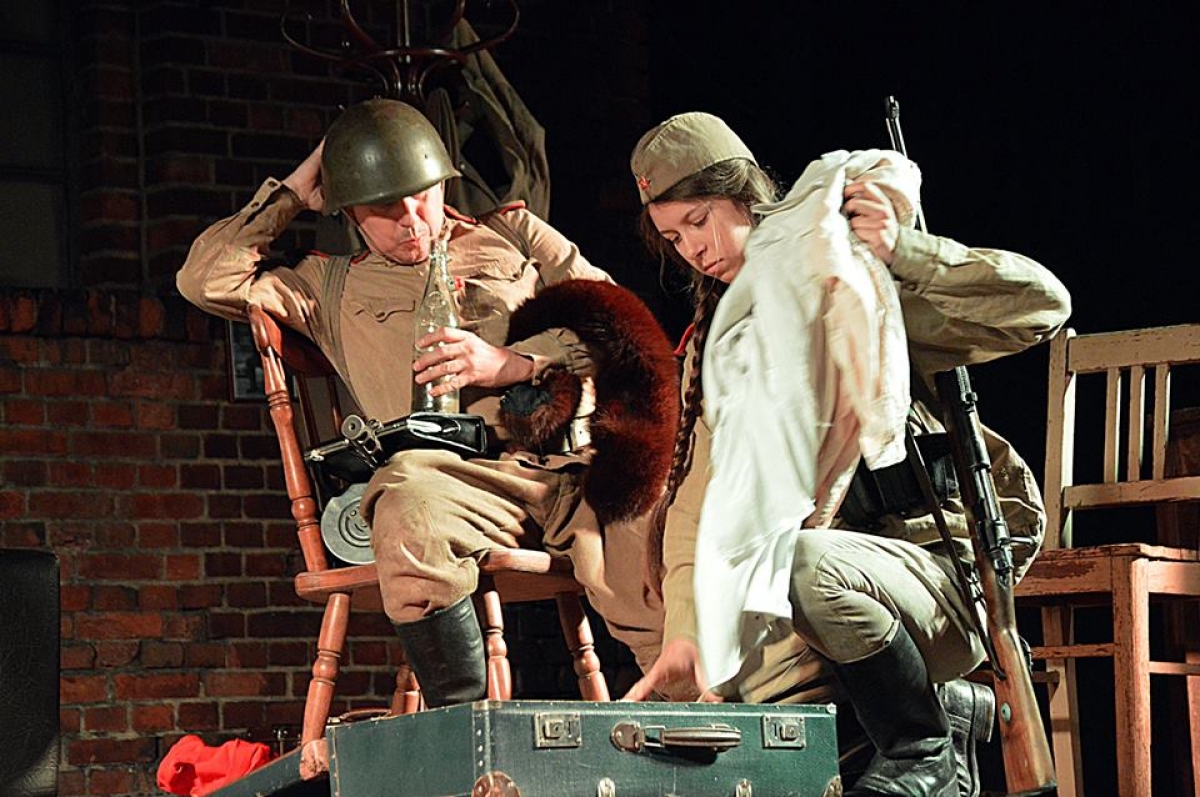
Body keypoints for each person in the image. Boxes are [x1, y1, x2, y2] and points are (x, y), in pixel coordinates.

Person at [621, 113, 1071, 797]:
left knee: (796, 567)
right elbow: (697, 509)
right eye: (675, 237)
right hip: (826, 597)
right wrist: (685, 634)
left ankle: (924, 746)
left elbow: (1043, 305)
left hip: (928, 577)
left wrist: (907, 253)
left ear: (743, 194)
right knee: (737, 695)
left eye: (700, 220)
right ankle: (942, 714)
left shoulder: (851, 282)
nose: (694, 249)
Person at [177, 99, 666, 719]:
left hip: (569, 468)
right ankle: (460, 729)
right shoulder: (326, 285)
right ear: (350, 212)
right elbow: (204, 279)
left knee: (663, 534)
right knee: (406, 502)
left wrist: (513, 363)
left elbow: (622, 330)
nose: (412, 222)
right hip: (455, 485)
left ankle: (695, 724)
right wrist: (298, 190)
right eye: (386, 210)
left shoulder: (514, 235)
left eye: (423, 198)